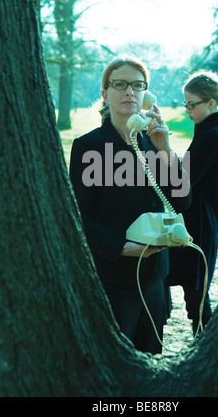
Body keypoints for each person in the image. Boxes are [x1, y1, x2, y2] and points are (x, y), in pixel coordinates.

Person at [69, 54, 191, 354]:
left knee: (150, 361)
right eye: (120, 84)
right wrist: (121, 246)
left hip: (155, 276)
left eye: (137, 85)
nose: (129, 92)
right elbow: (78, 216)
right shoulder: (88, 146)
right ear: (105, 94)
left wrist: (166, 151)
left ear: (145, 95)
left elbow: (182, 201)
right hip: (114, 275)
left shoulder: (153, 142)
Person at [167, 70, 218, 335]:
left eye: (191, 104)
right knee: (190, 291)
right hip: (190, 218)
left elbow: (183, 181)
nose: (187, 110)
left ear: (210, 103)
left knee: (196, 295)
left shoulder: (215, 136)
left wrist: (164, 149)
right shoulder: (207, 131)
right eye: (185, 104)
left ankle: (204, 345)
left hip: (201, 223)